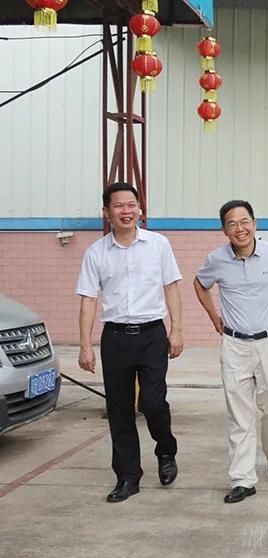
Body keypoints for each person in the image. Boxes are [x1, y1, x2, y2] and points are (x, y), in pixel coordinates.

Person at [76, 182, 183, 503]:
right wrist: (85, 345)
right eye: (118, 206)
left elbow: (172, 287)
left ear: (140, 209)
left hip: (152, 335)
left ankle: (166, 451)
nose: (126, 211)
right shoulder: (96, 253)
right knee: (119, 409)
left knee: (153, 403)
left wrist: (176, 329)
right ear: (106, 212)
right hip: (115, 338)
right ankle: (128, 476)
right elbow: (88, 300)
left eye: (131, 205)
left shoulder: (158, 245)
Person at [193, 200, 268, 504]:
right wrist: (213, 316)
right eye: (232, 224)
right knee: (239, 414)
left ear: (254, 224)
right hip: (234, 345)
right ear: (224, 230)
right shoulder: (216, 259)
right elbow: (200, 285)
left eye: (244, 222)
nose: (239, 228)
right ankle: (242, 479)